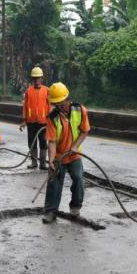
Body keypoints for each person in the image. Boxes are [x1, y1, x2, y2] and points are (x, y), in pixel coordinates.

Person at [42, 82, 90, 224]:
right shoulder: (52, 118)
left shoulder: (80, 110)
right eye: (55, 104)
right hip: (58, 156)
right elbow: (51, 141)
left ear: (67, 99)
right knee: (54, 181)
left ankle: (75, 210)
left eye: (60, 103)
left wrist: (75, 146)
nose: (58, 107)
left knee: (78, 179)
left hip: (74, 154)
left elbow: (85, 130)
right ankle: (51, 211)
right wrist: (51, 161)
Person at [20, 67, 50, 170]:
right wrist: (24, 120)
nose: (37, 80)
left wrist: (50, 120)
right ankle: (34, 162)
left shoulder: (47, 90)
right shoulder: (29, 91)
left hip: (43, 123)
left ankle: (43, 163)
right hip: (31, 122)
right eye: (35, 78)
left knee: (43, 142)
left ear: (42, 78)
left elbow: (50, 106)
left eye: (38, 78)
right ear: (32, 79)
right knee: (31, 142)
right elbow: (25, 106)